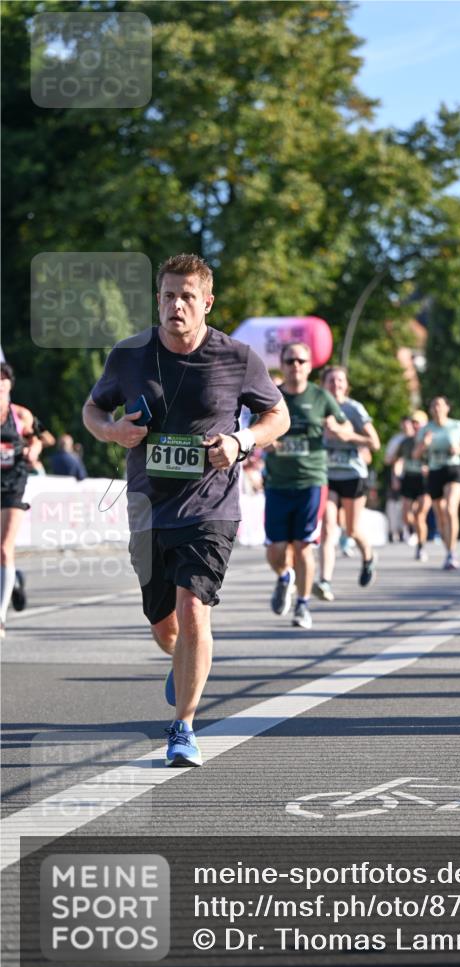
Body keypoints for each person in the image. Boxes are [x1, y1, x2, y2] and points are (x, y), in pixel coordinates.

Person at [83, 253, 289, 766]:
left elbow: (277, 414)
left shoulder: (237, 357)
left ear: (207, 303)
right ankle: (181, 659)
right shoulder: (128, 356)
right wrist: (113, 431)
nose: (176, 305)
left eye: (187, 297)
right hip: (149, 507)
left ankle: (184, 726)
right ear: (158, 299)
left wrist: (241, 442)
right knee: (164, 625)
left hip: (211, 507)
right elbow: (93, 409)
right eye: (168, 295)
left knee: (195, 608)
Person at [263, 343, 350, 630]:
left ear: (310, 365)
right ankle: (284, 576)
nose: (295, 365)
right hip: (277, 482)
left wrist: (338, 430)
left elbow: (347, 427)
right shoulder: (270, 396)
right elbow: (255, 431)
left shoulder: (321, 396)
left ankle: (302, 605)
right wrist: (267, 441)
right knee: (276, 551)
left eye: (301, 360)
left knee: (303, 546)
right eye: (290, 360)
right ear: (283, 364)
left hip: (311, 481)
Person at [313, 366, 380, 601]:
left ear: (346, 384)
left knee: (351, 529)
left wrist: (345, 435)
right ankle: (324, 580)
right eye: (331, 380)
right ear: (324, 384)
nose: (336, 384)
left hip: (352, 475)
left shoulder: (354, 408)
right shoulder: (317, 407)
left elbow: (374, 442)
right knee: (328, 528)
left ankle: (369, 557)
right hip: (326, 474)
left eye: (340, 380)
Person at [1, 361, 53, 637]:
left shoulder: (20, 415)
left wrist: (34, 447)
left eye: (2, 381)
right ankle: (15, 582)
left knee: (4, 547)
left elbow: (46, 438)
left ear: (9, 385)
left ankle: (0, 620)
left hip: (13, 484)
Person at [413, 396, 460, 570]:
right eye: (433, 405)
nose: (437, 408)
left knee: (450, 508)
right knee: (440, 514)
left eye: (440, 405)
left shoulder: (457, 425)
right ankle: (448, 551)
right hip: (434, 472)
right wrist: (424, 445)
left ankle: (452, 552)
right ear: (430, 410)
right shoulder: (426, 429)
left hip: (453, 469)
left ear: (447, 408)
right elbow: (415, 455)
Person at [396, 410, 430, 561]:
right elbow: (397, 459)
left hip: (425, 480)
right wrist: (396, 476)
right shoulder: (406, 442)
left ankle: (421, 547)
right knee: (406, 514)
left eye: (418, 423)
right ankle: (414, 530)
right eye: (413, 422)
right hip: (409, 477)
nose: (415, 426)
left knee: (420, 515)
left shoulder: (431, 440)